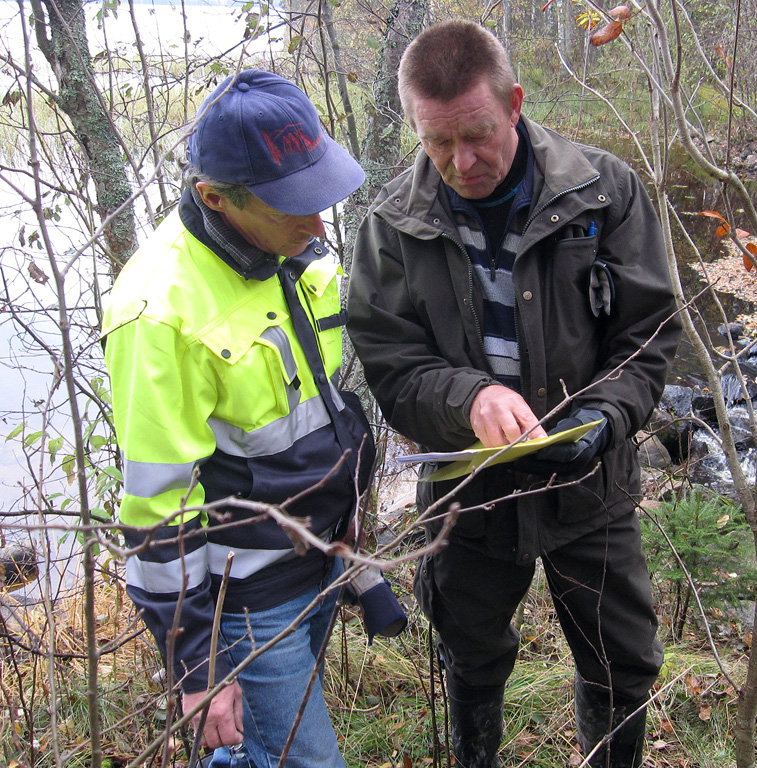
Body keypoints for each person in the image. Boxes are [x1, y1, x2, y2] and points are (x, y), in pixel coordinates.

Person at [347, 20, 682, 768]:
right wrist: (468, 399)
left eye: (478, 135)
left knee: (623, 663)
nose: (460, 161)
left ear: (516, 104)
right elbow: (390, 363)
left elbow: (650, 334)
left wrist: (608, 416)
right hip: (468, 491)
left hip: (590, 485)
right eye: (438, 142)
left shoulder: (603, 191)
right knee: (470, 656)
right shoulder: (394, 224)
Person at [103, 69, 404, 768]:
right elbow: (158, 506)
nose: (319, 223)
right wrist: (197, 666)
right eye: (292, 205)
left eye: (317, 194)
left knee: (259, 751)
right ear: (216, 198)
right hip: (246, 594)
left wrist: (347, 519)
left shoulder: (292, 249)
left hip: (320, 554)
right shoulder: (159, 311)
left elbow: (313, 406)